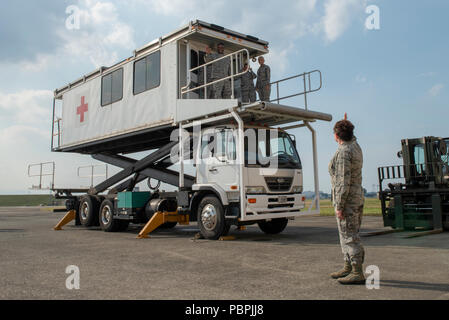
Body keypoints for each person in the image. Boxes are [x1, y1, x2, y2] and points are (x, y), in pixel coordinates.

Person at [328, 118, 366, 285]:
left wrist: (339, 205)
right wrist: (346, 125)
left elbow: (343, 181)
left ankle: (357, 271)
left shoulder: (344, 152)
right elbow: (351, 138)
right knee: (346, 235)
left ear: (337, 135)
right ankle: (348, 266)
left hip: (348, 201)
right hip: (356, 198)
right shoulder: (354, 146)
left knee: (350, 236)